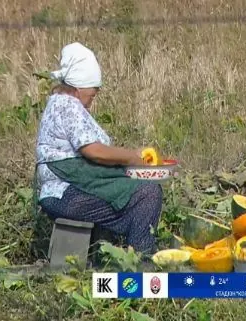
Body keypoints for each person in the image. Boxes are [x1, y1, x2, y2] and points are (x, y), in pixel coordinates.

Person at [35, 42, 162, 255]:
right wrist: (131, 158)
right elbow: (93, 151)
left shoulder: (58, 101)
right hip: (68, 194)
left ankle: (112, 257)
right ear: (78, 88)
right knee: (147, 192)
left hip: (63, 191)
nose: (94, 96)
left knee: (130, 194)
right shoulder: (69, 105)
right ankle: (140, 263)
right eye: (92, 93)